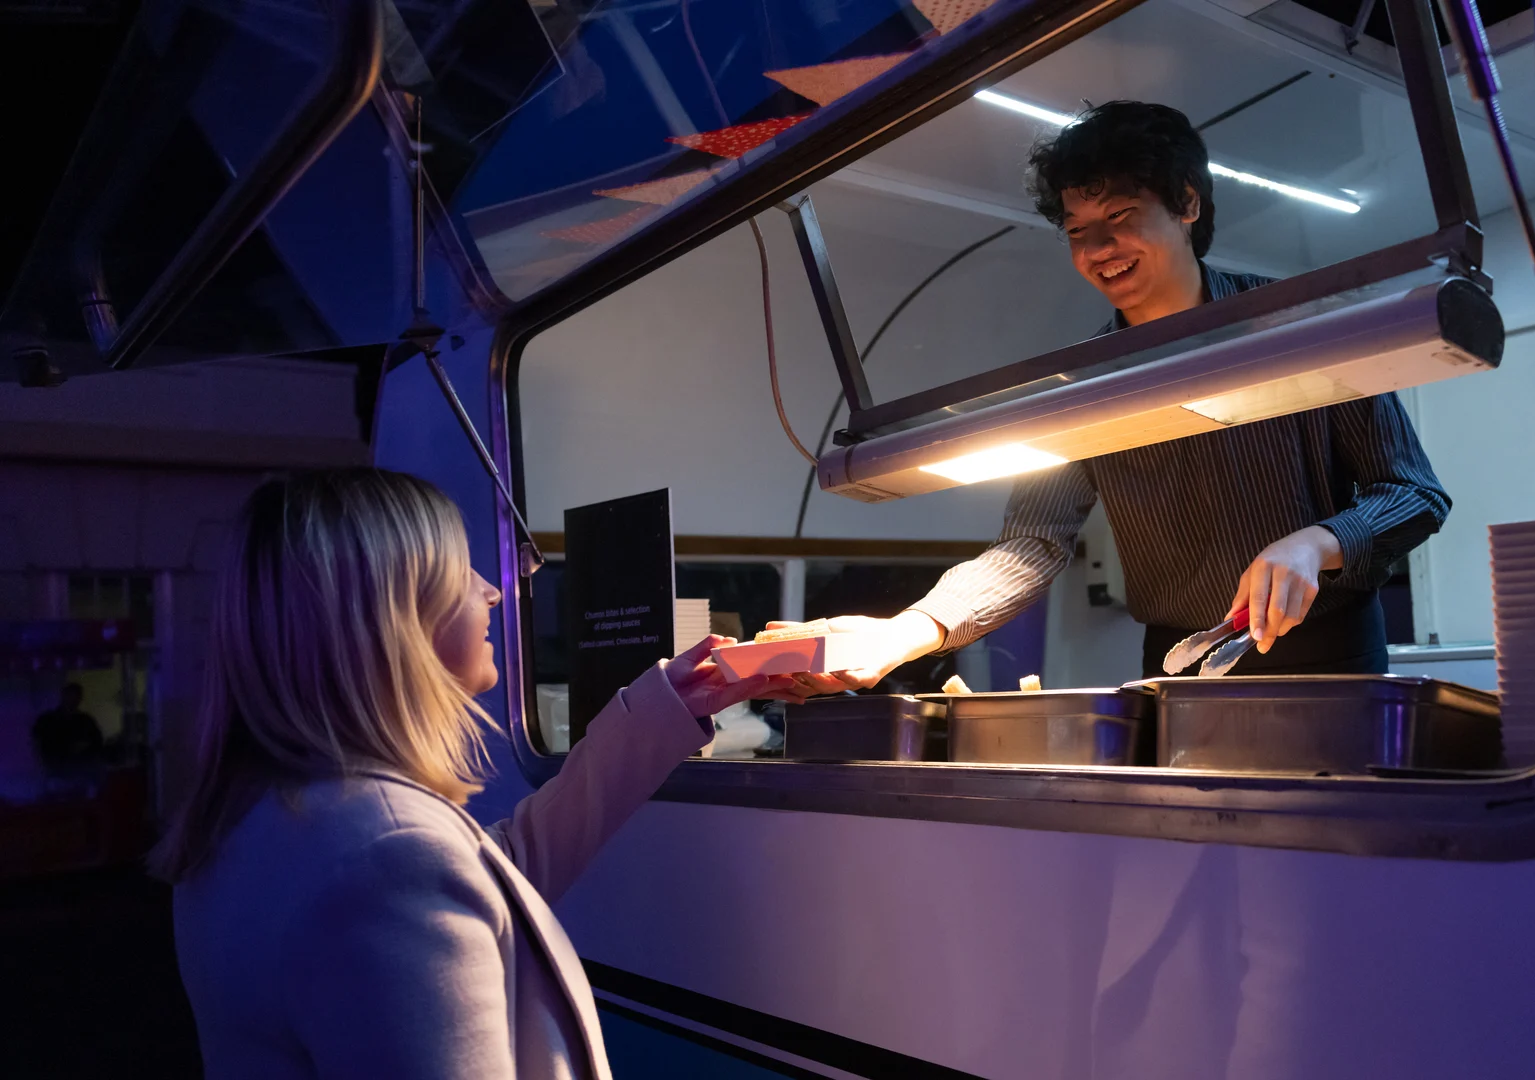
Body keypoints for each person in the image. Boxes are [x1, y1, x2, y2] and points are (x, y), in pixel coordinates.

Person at [151, 469, 796, 1078]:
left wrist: (663, 710)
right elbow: (437, 874)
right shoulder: (388, 856)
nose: (493, 588)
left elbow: (499, 867)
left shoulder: (267, 816)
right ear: (394, 614)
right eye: (460, 569)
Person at [790, 101, 1449, 688]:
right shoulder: (1084, 385)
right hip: (1176, 668)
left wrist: (1318, 542)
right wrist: (909, 630)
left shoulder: (1304, 325)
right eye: (1078, 230)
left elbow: (1415, 492)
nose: (1099, 248)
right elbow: (1033, 543)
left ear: (1188, 204)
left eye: (1121, 217)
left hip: (1327, 661)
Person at [32, 683, 105, 769]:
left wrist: (85, 746)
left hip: (81, 768)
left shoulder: (86, 720)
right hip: (55, 768)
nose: (73, 699)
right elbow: (36, 741)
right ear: (63, 696)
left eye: (77, 696)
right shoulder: (48, 719)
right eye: (70, 695)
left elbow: (97, 741)